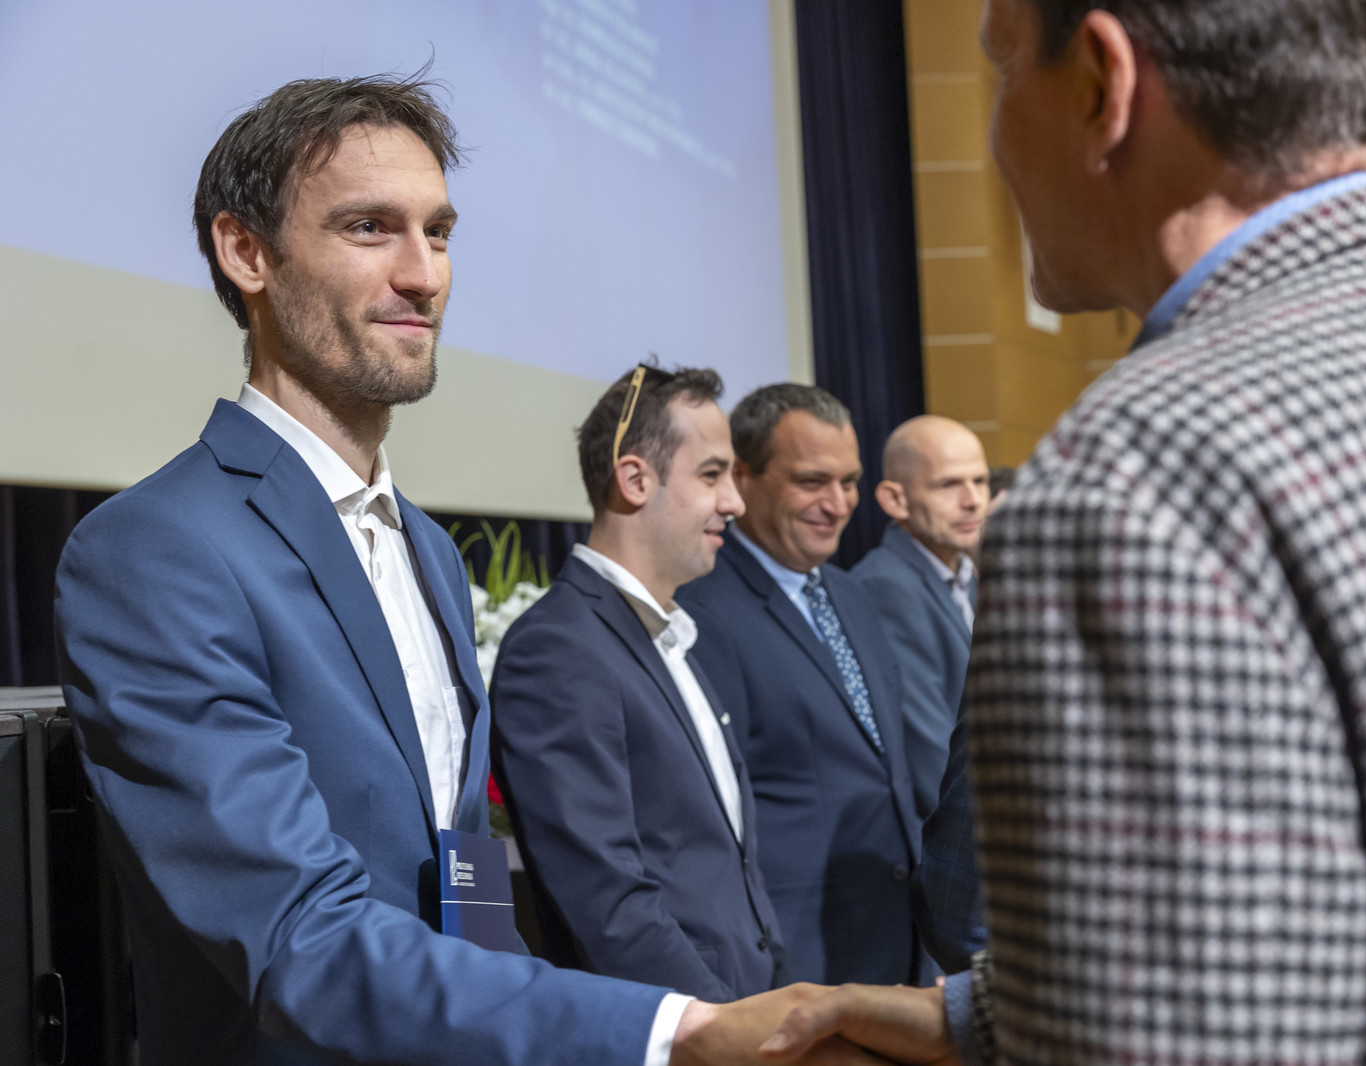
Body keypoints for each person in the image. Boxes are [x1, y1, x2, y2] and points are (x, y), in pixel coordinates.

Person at [763, 0, 1366, 1063]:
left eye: (1002, 70)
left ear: (1100, 85)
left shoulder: (1126, 486)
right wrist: (974, 1016)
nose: (994, 136)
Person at [52, 73, 854, 1066]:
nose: (424, 275)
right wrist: (675, 1028)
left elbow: (462, 884)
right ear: (246, 252)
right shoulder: (156, 549)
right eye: (369, 228)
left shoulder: (428, 548)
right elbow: (300, 938)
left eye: (438, 232)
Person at [490, 363, 787, 1001]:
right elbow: (608, 900)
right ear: (634, 480)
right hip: (676, 1028)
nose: (735, 502)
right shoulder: (558, 649)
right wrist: (723, 1031)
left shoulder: (671, 635)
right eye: (712, 475)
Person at [677, 384, 930, 987]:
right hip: (796, 966)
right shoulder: (699, 611)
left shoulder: (850, 594)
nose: (838, 504)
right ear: (743, 477)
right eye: (812, 481)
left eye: (850, 482)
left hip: (902, 947)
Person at [853, 414, 988, 820]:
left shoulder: (969, 577)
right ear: (895, 499)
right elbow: (931, 757)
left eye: (980, 481)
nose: (973, 500)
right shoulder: (884, 585)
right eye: (948, 484)